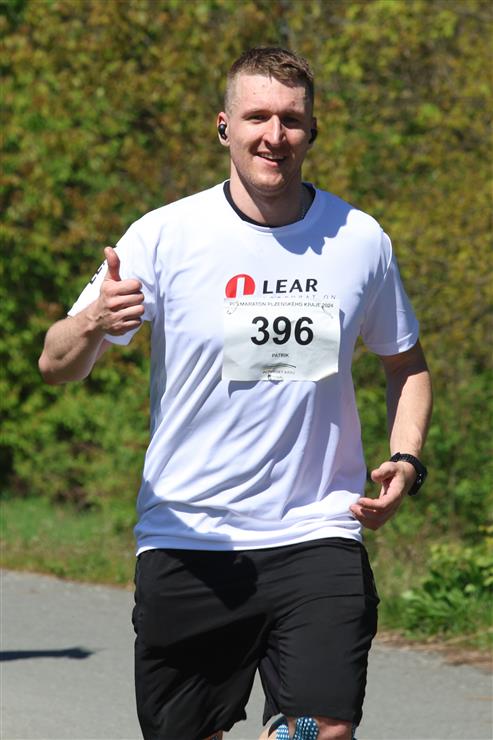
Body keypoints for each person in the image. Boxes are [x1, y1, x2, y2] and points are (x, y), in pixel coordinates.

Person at [39, 47, 432, 740]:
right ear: (224, 127)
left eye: (291, 120)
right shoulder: (164, 236)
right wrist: (94, 321)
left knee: (319, 728)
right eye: (257, 117)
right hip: (189, 535)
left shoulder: (359, 240)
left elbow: (407, 365)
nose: (273, 135)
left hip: (316, 529)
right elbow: (55, 364)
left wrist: (406, 458)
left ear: (312, 131)